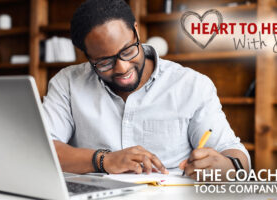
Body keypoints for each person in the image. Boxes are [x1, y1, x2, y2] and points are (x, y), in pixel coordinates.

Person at [43, 0, 250, 180]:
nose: (122, 68)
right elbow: (41, 148)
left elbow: (235, 154)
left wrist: (228, 167)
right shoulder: (67, 83)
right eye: (104, 62)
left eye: (127, 50)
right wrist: (104, 160)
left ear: (136, 30)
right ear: (87, 56)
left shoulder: (191, 85)